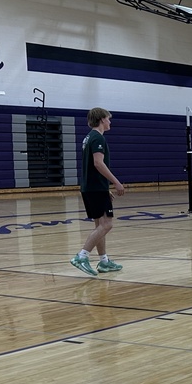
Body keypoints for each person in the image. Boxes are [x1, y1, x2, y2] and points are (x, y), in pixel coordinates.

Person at [70, 107, 125, 275]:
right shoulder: (97, 138)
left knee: (100, 225)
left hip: (92, 187)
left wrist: (104, 187)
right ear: (102, 119)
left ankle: (104, 262)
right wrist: (116, 182)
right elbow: (98, 163)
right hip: (95, 188)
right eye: (108, 119)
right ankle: (82, 256)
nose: (110, 122)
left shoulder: (89, 138)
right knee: (107, 224)